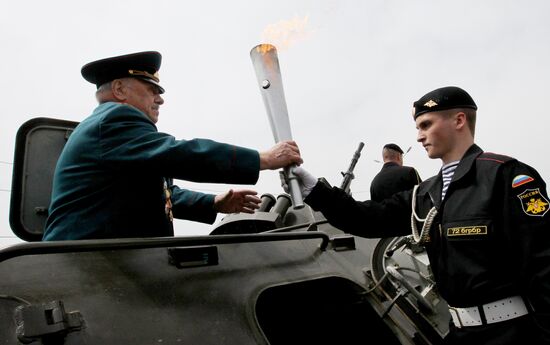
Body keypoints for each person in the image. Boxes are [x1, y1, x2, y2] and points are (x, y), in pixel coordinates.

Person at [290, 86, 550, 344]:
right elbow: (367, 218)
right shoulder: (425, 194)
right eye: (418, 128)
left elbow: (543, 265)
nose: (418, 136)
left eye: (426, 125)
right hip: (461, 333)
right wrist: (315, 189)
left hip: (513, 333)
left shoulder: (505, 176)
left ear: (459, 120)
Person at [43, 51, 302, 241]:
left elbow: (161, 194)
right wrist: (262, 159)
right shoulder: (114, 119)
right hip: (85, 264)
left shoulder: (112, 130)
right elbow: (180, 154)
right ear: (120, 89)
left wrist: (213, 203)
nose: (160, 99)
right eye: (151, 88)